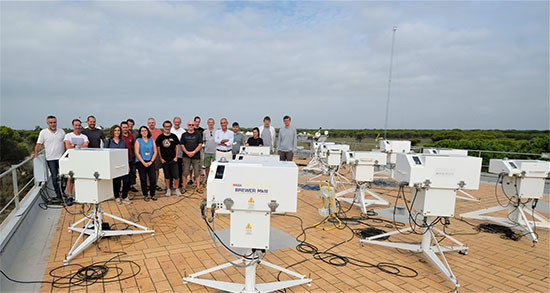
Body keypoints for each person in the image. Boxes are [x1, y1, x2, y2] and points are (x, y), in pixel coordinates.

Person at [32, 115, 66, 198]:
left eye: (54, 122)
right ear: (47, 123)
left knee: (64, 176)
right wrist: (35, 153)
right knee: (54, 176)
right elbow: (39, 144)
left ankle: (62, 191)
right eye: (51, 122)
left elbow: (66, 143)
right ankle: (58, 194)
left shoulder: (61, 131)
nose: (53, 124)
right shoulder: (43, 132)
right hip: (50, 159)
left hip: (61, 158)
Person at [64, 119, 89, 206]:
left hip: (82, 159)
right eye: (76, 125)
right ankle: (70, 196)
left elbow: (86, 146)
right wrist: (78, 146)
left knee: (81, 177)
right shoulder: (68, 136)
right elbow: (67, 147)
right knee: (70, 178)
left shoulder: (84, 136)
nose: (78, 127)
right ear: (73, 126)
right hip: (71, 159)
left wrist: (74, 145)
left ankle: (82, 196)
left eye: (79, 125)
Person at [104, 125, 131, 204]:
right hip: (114, 165)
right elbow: (105, 153)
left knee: (126, 181)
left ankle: (124, 196)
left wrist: (128, 165)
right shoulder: (108, 141)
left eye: (118, 130)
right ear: (112, 131)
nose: (117, 132)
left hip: (123, 164)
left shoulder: (123, 141)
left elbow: (125, 154)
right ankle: (117, 196)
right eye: (115, 130)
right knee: (116, 182)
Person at [155, 121, 181, 196]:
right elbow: (158, 148)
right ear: (163, 127)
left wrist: (176, 157)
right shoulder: (160, 137)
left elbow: (177, 146)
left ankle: (176, 189)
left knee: (176, 175)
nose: (167, 128)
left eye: (169, 126)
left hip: (173, 159)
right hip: (164, 160)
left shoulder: (174, 136)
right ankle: (168, 189)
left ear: (170, 127)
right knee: (167, 176)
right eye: (166, 126)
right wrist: (161, 158)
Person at [135, 126, 158, 201]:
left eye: (145, 130)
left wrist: (151, 161)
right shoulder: (138, 140)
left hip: (151, 161)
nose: (144, 132)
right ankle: (145, 194)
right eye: (142, 131)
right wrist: (144, 162)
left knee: (153, 179)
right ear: (140, 132)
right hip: (141, 162)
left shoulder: (151, 140)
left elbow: (155, 151)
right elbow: (137, 153)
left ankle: (152, 194)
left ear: (148, 131)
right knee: (143, 179)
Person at [181, 120, 203, 193]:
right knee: (185, 172)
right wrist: (187, 152)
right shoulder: (184, 135)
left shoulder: (198, 135)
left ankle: (198, 188)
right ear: (187, 125)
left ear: (194, 126)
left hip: (196, 157)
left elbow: (200, 145)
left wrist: (193, 152)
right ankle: (184, 188)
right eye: (189, 125)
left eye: (192, 125)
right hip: (186, 157)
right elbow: (182, 145)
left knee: (197, 172)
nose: (191, 126)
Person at [121, 121, 138, 192]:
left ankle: (131, 186)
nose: (125, 129)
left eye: (126, 127)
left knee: (132, 173)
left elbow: (135, 145)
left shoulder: (131, 135)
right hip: (121, 159)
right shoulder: (119, 136)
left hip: (130, 158)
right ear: (121, 128)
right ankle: (122, 188)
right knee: (122, 174)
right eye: (123, 127)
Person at [147, 118, 163, 191]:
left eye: (153, 122)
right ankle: (148, 184)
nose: (151, 124)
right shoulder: (145, 131)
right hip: (147, 153)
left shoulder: (159, 131)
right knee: (147, 169)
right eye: (150, 123)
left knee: (156, 169)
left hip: (156, 153)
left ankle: (154, 184)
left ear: (155, 123)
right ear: (148, 123)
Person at [171, 117, 186, 190]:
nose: (177, 123)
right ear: (173, 122)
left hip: (180, 154)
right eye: (176, 122)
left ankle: (179, 184)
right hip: (170, 154)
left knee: (179, 169)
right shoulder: (170, 130)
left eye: (178, 122)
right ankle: (170, 185)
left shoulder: (183, 131)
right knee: (170, 170)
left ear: (180, 122)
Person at [126, 118, 139, 191]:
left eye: (131, 125)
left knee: (133, 171)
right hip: (125, 155)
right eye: (129, 125)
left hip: (133, 155)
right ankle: (124, 186)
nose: (130, 126)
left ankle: (131, 185)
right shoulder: (122, 133)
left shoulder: (136, 133)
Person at [203, 118, 216, 182]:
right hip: (207, 152)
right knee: (207, 166)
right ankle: (207, 178)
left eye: (212, 122)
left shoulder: (217, 131)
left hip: (215, 152)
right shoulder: (205, 132)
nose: (210, 124)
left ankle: (213, 178)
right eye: (209, 122)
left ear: (214, 123)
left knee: (214, 166)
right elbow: (204, 141)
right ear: (207, 123)